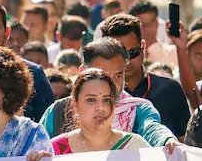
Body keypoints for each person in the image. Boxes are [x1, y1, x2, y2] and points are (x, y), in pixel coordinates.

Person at [39, 38, 179, 149]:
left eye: (118, 75)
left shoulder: (138, 110)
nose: (111, 84)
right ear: (82, 72)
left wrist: (167, 140)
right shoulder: (57, 112)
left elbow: (152, 129)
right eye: (103, 75)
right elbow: (39, 147)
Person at [100, 14, 191, 138]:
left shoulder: (170, 89)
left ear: (143, 47)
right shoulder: (97, 95)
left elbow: (183, 141)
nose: (127, 61)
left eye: (132, 53)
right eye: (119, 55)